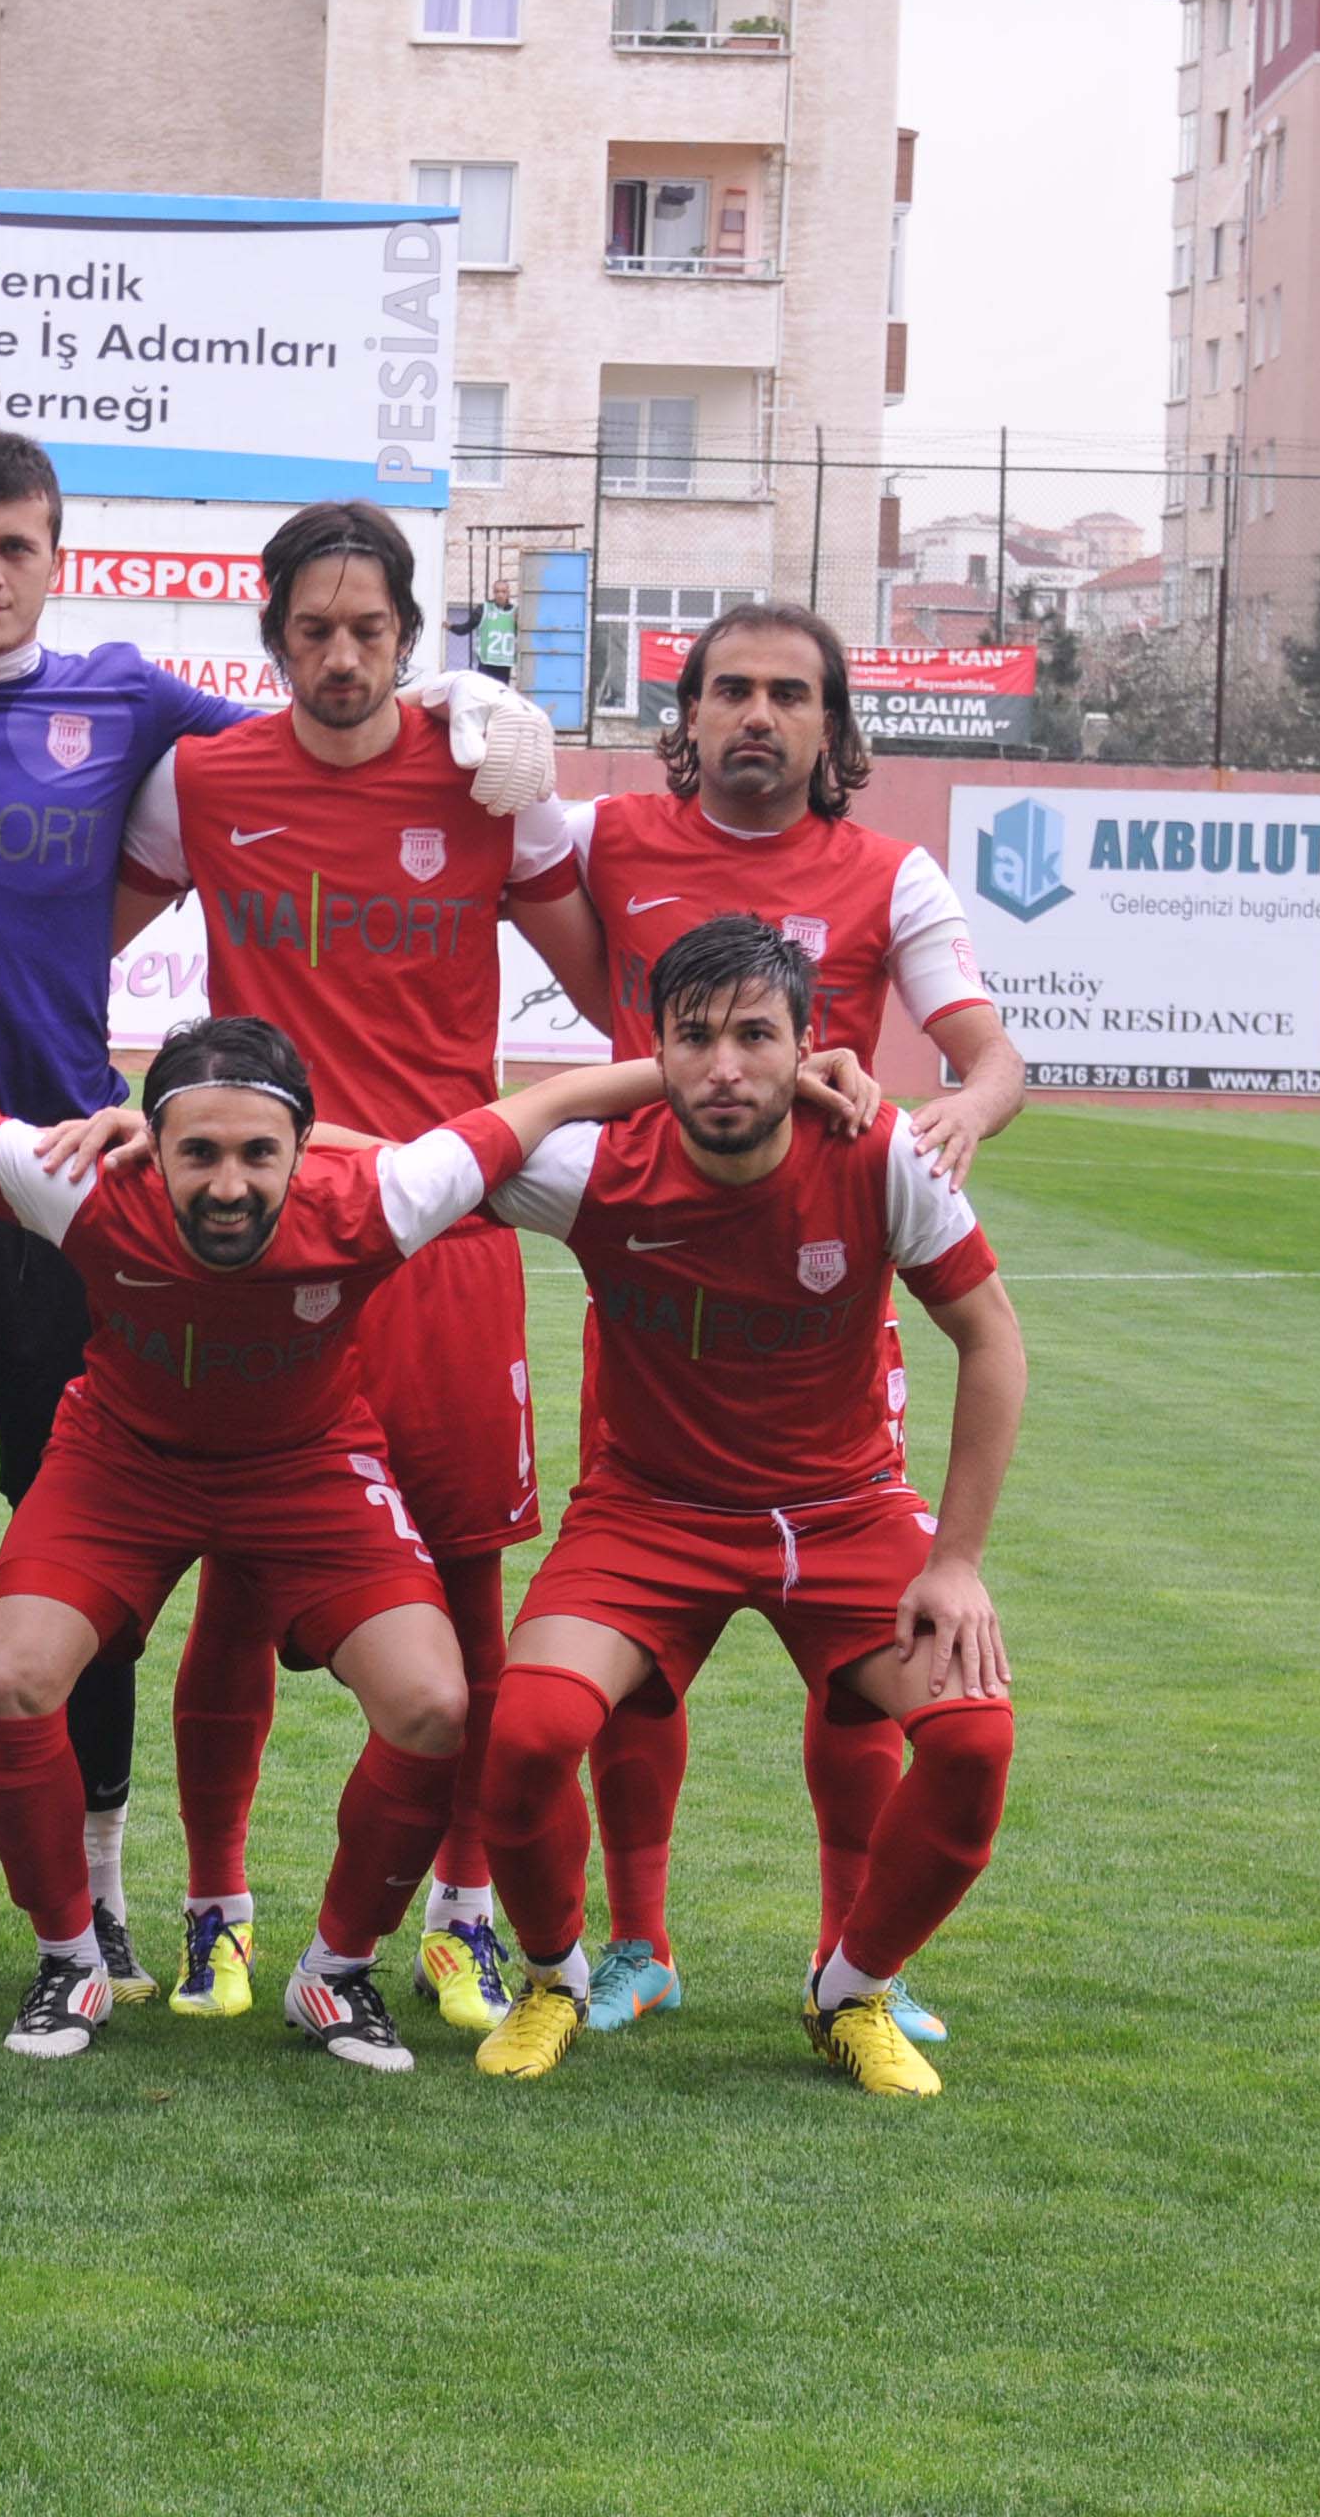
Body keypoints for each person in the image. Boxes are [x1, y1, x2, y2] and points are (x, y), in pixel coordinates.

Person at [0, 426, 562, 1994]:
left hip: (75, 1186)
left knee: (100, 1549)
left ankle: (112, 1891)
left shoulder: (138, 707)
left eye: (17, 548)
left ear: (57, 559)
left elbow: (331, 718)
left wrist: (472, 694)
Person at [0, 989, 837, 2070]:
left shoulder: (377, 1193)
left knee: (433, 1704)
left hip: (306, 1468)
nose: (229, 1184)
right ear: (150, 1145)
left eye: (259, 1154)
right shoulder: (81, 1181)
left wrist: (731, 1073)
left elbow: (549, 1102)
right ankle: (65, 1953)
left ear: (305, 1150)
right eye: (200, 1152)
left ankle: (336, 1970)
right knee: (17, 1679)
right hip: (121, 1463)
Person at [513, 602, 1028, 2043]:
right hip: (656, 1274)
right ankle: (635, 1942)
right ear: (686, 719)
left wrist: (947, 1119)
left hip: (829, 1290)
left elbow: (991, 1058)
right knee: (633, 1638)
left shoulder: (886, 871)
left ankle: (854, 1957)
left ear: (832, 727)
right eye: (728, 690)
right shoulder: (611, 840)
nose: (756, 714)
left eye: (787, 694)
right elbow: (467, 861)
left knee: (856, 1665)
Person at [114, 500, 581, 2035]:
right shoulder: (207, 780)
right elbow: (69, 938)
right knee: (242, 1581)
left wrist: (552, 792)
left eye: (368, 630)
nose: (339, 655)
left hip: (445, 1238)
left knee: (464, 1586)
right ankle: (216, 1913)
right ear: (271, 637)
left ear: (409, 639)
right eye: (311, 629)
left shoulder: (482, 778)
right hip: (273, 1239)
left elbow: (610, 970)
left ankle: (456, 1914)